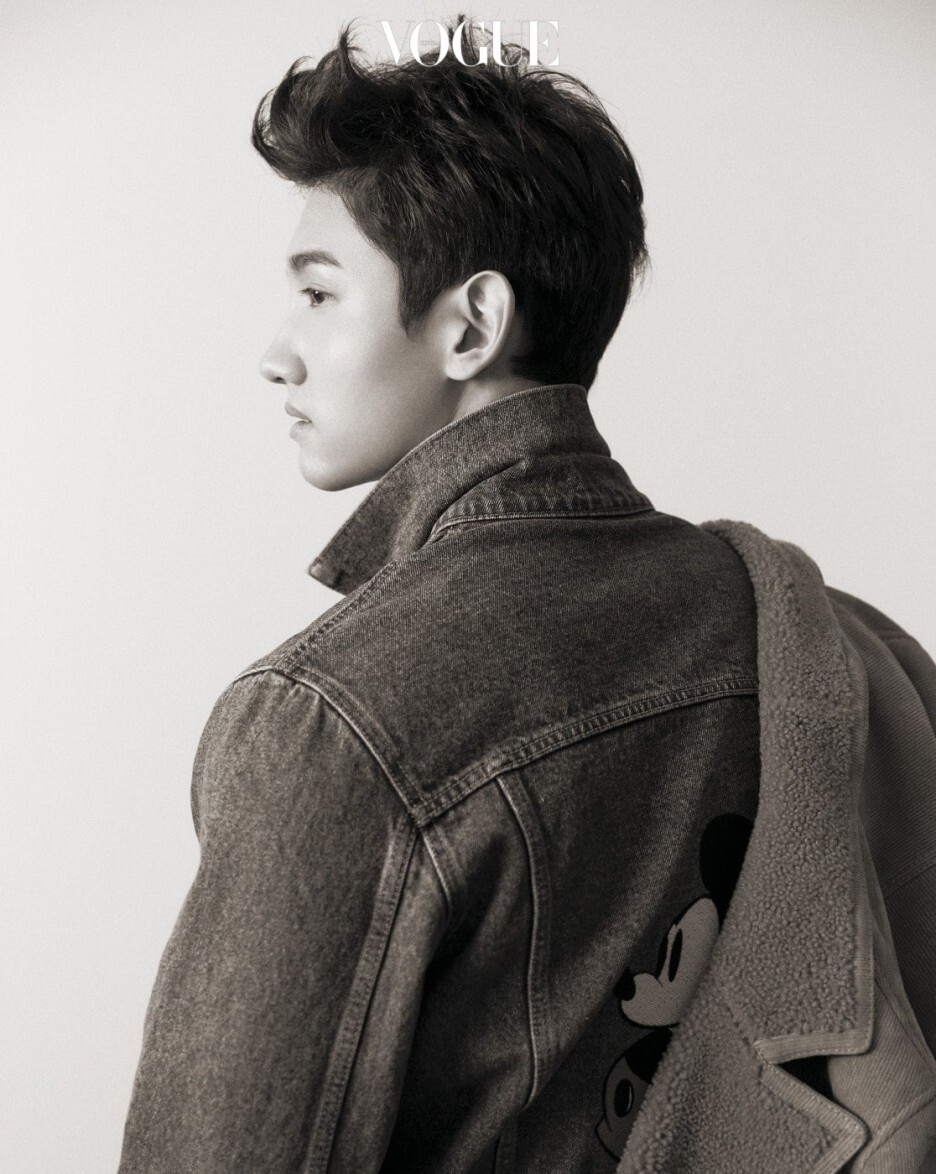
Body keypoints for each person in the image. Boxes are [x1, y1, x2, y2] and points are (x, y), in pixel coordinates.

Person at [118, 18, 936, 1173]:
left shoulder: (331, 721)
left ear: (472, 324)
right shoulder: (819, 637)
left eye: (320, 294)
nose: (277, 353)